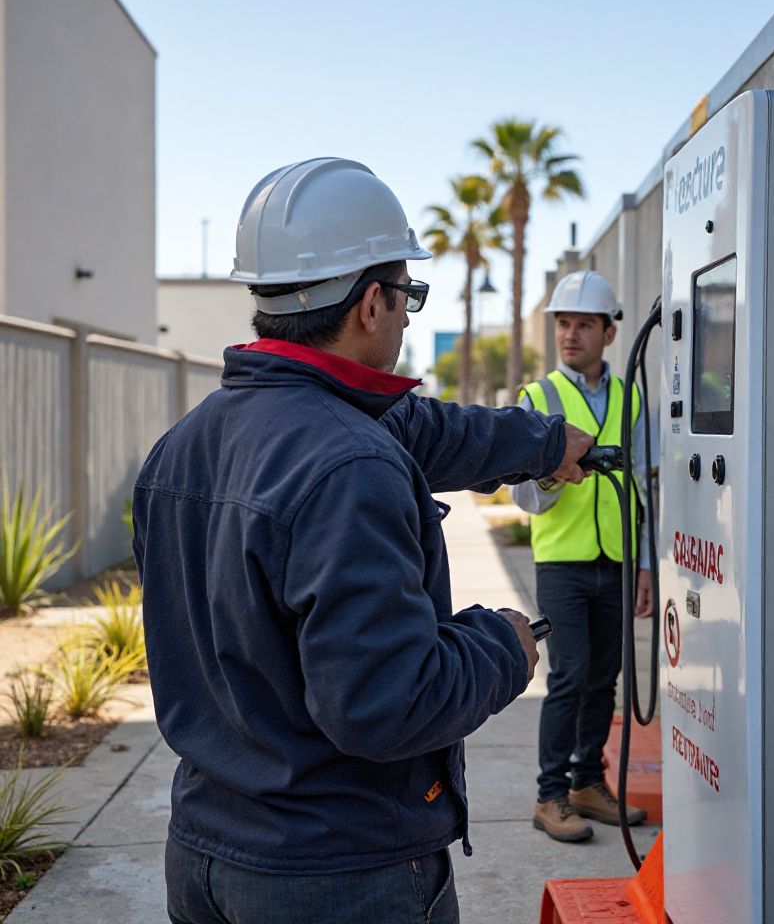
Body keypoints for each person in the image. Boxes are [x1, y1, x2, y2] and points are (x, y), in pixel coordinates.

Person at [133, 158, 594, 924]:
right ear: (373, 303)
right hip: (336, 875)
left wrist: (544, 444)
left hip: (203, 856)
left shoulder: (183, 447)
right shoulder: (350, 464)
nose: (411, 317)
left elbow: (430, 428)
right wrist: (501, 646)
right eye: (408, 296)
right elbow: (387, 705)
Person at [510, 270, 654, 843]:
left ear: (608, 333)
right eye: (563, 324)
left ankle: (586, 782)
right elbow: (525, 499)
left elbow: (644, 483)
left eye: (584, 325)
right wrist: (555, 473)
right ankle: (549, 795)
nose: (570, 335)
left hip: (616, 560)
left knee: (604, 679)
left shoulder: (631, 397)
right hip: (562, 563)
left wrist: (645, 565)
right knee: (568, 678)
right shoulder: (538, 398)